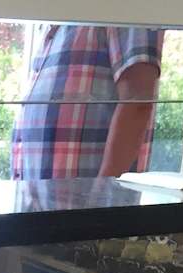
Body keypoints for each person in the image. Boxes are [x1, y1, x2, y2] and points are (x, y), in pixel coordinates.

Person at [11, 25, 164, 181]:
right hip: (52, 191)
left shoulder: (116, 13)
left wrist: (103, 190)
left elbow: (138, 102)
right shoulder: (56, 25)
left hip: (89, 194)